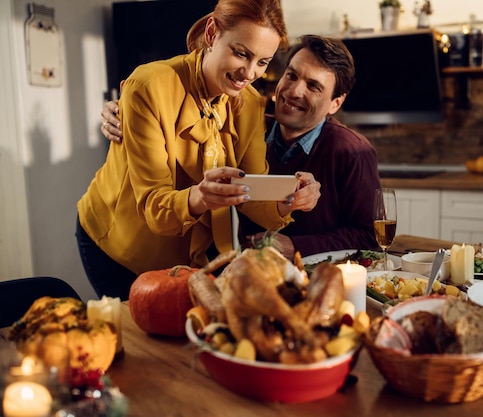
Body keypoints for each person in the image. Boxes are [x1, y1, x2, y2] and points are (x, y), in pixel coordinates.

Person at [78, 0, 321, 299]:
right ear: (211, 33)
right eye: (241, 53)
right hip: (119, 247)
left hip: (191, 255)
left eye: (263, 62)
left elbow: (251, 189)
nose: (249, 72)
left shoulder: (251, 105)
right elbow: (154, 205)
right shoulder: (149, 87)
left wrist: (289, 198)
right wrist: (200, 196)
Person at [101, 33, 381, 260]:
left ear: (336, 103)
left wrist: (296, 245)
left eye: (313, 86)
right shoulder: (250, 121)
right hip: (250, 267)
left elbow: (369, 236)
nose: (295, 91)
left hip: (323, 273)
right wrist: (119, 110)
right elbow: (172, 103)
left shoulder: (353, 151)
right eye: (292, 75)